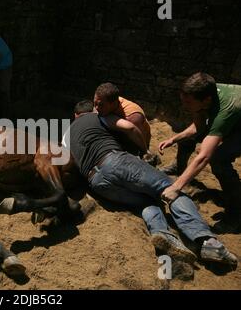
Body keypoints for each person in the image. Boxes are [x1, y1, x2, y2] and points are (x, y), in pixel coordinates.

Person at [67, 101, 237, 265]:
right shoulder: (98, 117)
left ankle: (162, 234)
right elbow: (130, 127)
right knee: (170, 189)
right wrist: (144, 150)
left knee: (146, 202)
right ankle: (206, 242)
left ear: (75, 116)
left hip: (97, 182)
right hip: (115, 161)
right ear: (91, 111)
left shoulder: (67, 135)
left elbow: (67, 163)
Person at [158, 73, 241, 232]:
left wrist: (176, 187)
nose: (184, 106)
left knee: (218, 160)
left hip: (237, 122)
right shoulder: (205, 95)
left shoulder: (224, 111)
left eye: (188, 102)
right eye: (183, 101)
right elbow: (198, 126)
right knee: (187, 138)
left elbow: (204, 157)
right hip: (234, 119)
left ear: (206, 100)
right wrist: (174, 139)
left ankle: (236, 216)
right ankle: (180, 168)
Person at [93, 83, 152, 153]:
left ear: (113, 103)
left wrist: (145, 151)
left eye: (101, 105)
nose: (96, 108)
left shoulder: (131, 117)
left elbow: (139, 138)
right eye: (95, 103)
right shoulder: (105, 101)